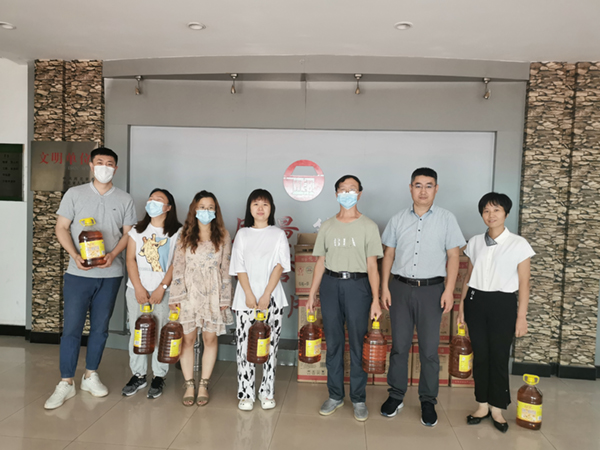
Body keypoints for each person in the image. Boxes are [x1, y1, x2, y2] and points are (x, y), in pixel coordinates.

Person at [45, 147, 137, 410]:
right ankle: (66, 381)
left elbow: (128, 234)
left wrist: (113, 255)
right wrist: (74, 255)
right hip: (79, 274)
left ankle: (90, 375)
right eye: (100, 162)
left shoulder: (125, 199)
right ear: (91, 165)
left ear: (115, 168)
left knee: (100, 328)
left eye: (109, 163)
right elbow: (61, 227)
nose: (104, 167)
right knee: (72, 328)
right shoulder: (74, 194)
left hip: (110, 274)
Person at [379, 167, 465, 426]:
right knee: (399, 346)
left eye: (429, 185)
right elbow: (389, 254)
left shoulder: (447, 219)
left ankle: (428, 400)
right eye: (418, 185)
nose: (423, 191)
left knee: (429, 350)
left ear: (436, 189)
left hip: (432, 291)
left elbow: (453, 256)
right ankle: (396, 395)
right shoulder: (397, 219)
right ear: (410, 188)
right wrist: (384, 287)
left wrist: (449, 290)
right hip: (400, 288)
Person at [307, 175, 383, 422]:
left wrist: (375, 299)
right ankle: (335, 395)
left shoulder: (368, 226)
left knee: (358, 344)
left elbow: (372, 266)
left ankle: (359, 398)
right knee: (334, 342)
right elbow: (320, 262)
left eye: (352, 190)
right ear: (336, 194)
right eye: (343, 189)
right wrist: (312, 293)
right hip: (330, 284)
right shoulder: (328, 226)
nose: (347, 193)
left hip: (358, 286)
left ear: (359, 194)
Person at [457, 192, 534, 433]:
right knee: (480, 356)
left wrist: (521, 317)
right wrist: (461, 306)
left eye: (496, 210)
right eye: (486, 211)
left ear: (506, 213)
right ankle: (481, 405)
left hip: (503, 304)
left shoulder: (519, 244)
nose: (491, 215)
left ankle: (498, 408)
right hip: (476, 301)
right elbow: (468, 276)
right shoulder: (475, 242)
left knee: (499, 356)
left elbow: (524, 283)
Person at [169, 191, 233, 406]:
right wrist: (176, 295)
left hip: (213, 292)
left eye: (210, 207)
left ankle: (204, 383)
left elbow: (226, 268)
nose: (206, 211)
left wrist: (225, 298)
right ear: (194, 209)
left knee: (210, 339)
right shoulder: (184, 234)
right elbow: (178, 266)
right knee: (187, 339)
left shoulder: (223, 235)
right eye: (202, 207)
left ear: (216, 210)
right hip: (189, 292)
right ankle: (189, 384)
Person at [229, 189, 291, 411]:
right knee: (245, 346)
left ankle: (267, 392)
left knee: (269, 346)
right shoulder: (243, 234)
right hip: (245, 299)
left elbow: (280, 266)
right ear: (250, 208)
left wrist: (266, 295)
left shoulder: (278, 234)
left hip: (272, 298)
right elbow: (239, 266)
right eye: (256, 204)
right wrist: (248, 293)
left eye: (265, 204)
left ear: (271, 208)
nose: (260, 208)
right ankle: (246, 393)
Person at [122, 188, 182, 399]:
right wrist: (138, 287)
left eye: (158, 199)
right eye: (151, 199)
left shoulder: (177, 232)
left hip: (164, 291)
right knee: (137, 333)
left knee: (161, 334)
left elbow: (176, 263)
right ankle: (138, 374)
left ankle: (159, 375)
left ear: (168, 207)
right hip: (136, 290)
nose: (152, 202)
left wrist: (162, 288)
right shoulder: (137, 230)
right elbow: (130, 259)